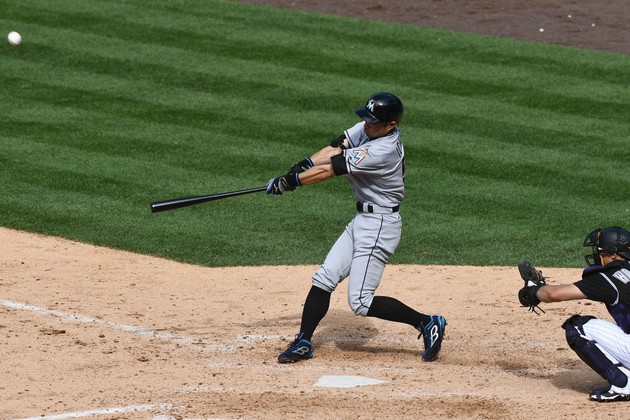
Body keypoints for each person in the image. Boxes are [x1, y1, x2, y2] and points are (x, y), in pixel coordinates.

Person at [266, 92, 446, 364]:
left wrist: (291, 182)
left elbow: (330, 169)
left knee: (360, 302)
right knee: (324, 278)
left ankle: (427, 322)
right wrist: (301, 166)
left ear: (391, 126)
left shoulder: (382, 150)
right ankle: (303, 340)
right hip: (363, 220)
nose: (366, 125)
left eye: (373, 123)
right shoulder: (370, 130)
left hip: (380, 225)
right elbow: (335, 148)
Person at [519, 226, 630, 402]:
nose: (598, 258)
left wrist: (532, 293)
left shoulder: (609, 278)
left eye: (602, 254)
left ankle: (623, 383)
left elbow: (553, 294)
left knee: (577, 327)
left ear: (614, 255)